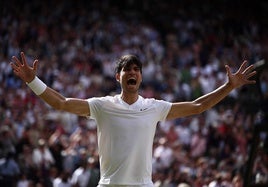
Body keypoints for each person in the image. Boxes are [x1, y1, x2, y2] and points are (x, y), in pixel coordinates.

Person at [10, 52, 256, 187]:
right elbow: (61, 102)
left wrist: (228, 86)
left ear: (140, 77)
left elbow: (198, 106)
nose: (133, 72)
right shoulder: (102, 105)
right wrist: (33, 80)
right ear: (118, 76)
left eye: (137, 69)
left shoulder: (154, 107)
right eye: (127, 69)